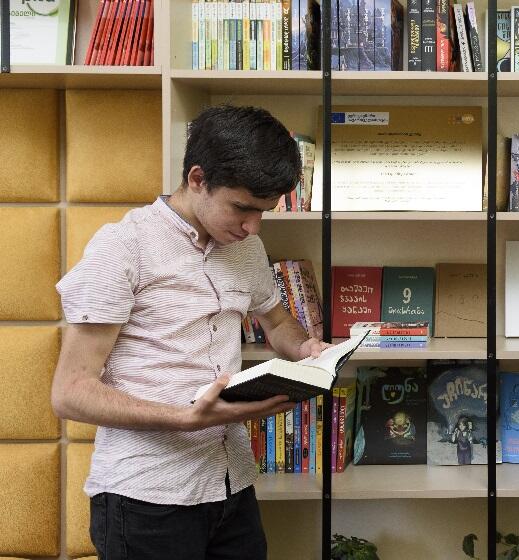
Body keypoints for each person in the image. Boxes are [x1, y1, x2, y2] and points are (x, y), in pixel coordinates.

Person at [51, 105, 329, 560]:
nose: (252, 227)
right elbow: (70, 393)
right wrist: (184, 418)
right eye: (242, 208)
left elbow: (277, 322)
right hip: (145, 499)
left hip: (232, 485)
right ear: (197, 178)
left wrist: (306, 347)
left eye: (264, 212)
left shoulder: (247, 247)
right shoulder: (122, 247)